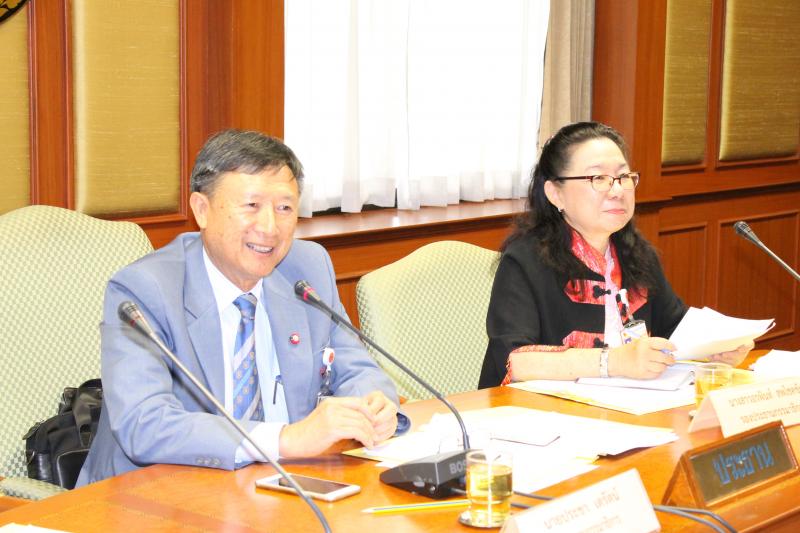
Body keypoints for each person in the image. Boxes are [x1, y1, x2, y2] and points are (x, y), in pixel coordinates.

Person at [78, 130, 405, 485]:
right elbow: (144, 423)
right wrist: (284, 440)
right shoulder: (146, 289)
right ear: (202, 210)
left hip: (283, 488)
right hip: (159, 493)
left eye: (284, 208)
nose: (269, 228)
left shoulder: (307, 268)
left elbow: (358, 371)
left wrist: (371, 407)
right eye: (251, 206)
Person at [478, 122, 751, 388]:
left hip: (628, 406)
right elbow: (515, 360)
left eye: (623, 177)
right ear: (555, 194)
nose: (618, 190)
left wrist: (715, 348)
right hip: (543, 411)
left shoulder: (636, 253)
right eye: (598, 178)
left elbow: (674, 328)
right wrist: (613, 361)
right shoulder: (525, 260)